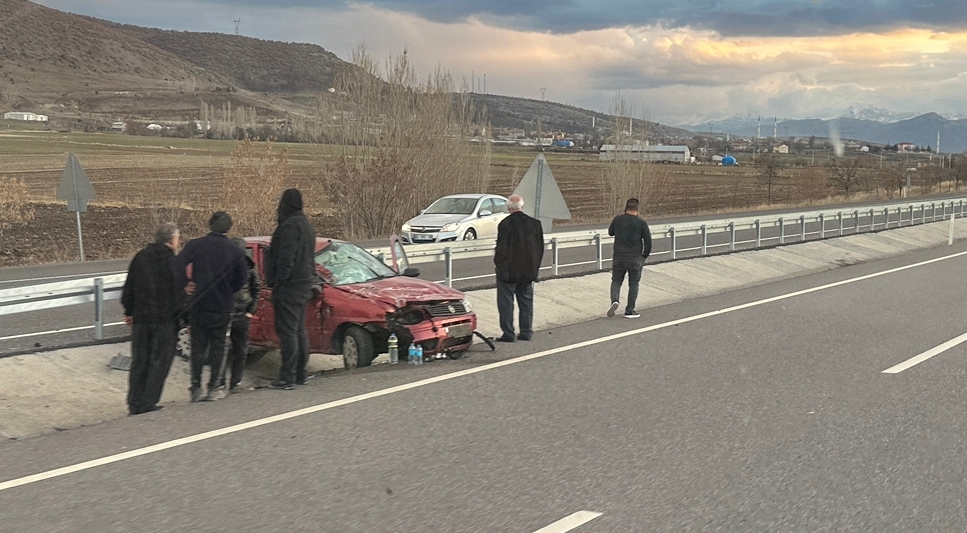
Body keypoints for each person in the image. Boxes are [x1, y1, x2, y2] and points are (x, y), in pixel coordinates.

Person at [174, 211, 248, 402]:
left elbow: (177, 264)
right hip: (223, 305)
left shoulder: (196, 245)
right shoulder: (234, 249)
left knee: (198, 347)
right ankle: (215, 386)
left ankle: (195, 387)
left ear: (210, 225)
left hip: (199, 303)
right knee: (219, 346)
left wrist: (186, 282)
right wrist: (228, 290)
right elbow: (242, 278)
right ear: (228, 228)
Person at [121, 222, 183, 415]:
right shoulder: (174, 262)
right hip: (165, 321)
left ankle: (134, 401)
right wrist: (183, 318)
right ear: (172, 240)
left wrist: (129, 311)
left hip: (141, 319)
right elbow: (180, 294)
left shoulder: (140, 258)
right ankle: (148, 401)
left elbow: (129, 288)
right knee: (160, 361)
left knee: (140, 360)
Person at [265, 188, 316, 389]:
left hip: (289, 286)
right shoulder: (306, 225)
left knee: (287, 332)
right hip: (304, 284)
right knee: (299, 330)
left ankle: (288, 376)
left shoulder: (288, 227)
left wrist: (279, 281)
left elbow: (286, 257)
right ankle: (301, 373)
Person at [493, 194, 544, 342]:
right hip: (528, 270)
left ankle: (508, 333)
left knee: (506, 303)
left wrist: (499, 265)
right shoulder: (535, 224)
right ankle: (526, 331)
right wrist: (535, 268)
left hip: (508, 272)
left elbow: (501, 249)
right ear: (522, 206)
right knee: (526, 302)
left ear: (509, 207)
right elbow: (539, 248)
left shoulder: (505, 224)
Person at [217, 237, 261, 391]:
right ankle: (220, 381)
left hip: (242, 314)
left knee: (240, 349)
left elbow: (257, 288)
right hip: (226, 313)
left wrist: (251, 310)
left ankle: (235, 381)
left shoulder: (249, 266)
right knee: (223, 349)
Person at [607, 198, 652, 319]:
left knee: (616, 280)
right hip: (635, 258)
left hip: (619, 257)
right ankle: (630, 310)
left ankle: (614, 301)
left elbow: (610, 232)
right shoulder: (641, 223)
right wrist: (644, 256)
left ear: (625, 208)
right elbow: (648, 242)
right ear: (637, 209)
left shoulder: (618, 219)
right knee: (633, 283)